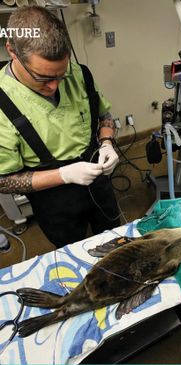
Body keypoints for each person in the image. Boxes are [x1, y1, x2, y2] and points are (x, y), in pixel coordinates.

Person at [0, 6, 120, 247]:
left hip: (97, 176)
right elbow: (3, 181)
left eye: (61, 76)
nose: (54, 87)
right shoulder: (3, 103)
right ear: (12, 51)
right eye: (42, 78)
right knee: (72, 251)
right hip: (52, 197)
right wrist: (63, 175)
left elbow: (104, 116)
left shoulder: (80, 74)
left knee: (114, 240)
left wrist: (107, 142)